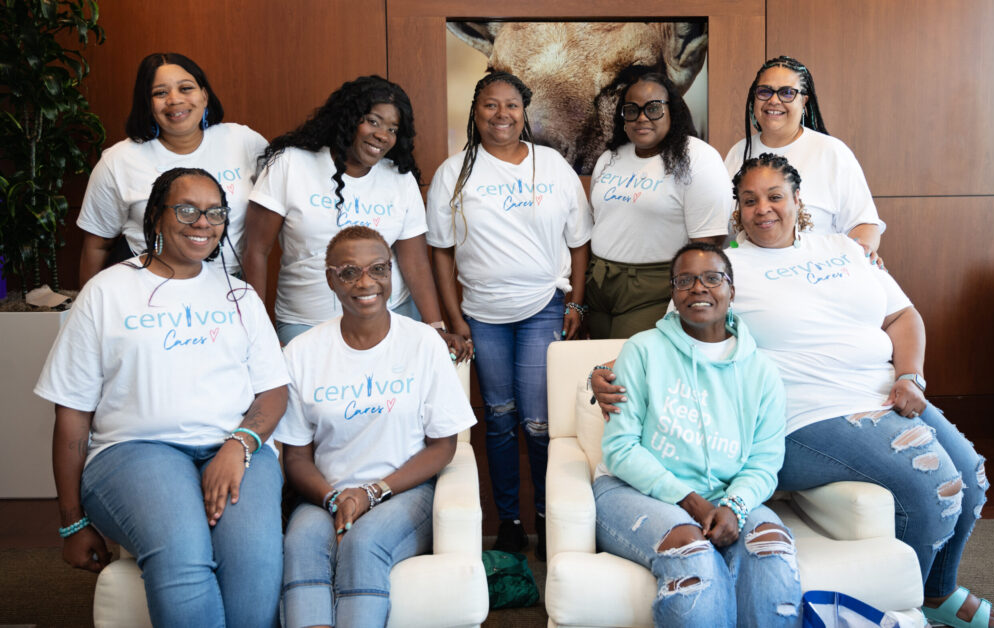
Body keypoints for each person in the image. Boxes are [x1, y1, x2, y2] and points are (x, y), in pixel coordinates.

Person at [594, 154, 994, 628]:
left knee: (971, 479)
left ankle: (935, 592)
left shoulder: (846, 250)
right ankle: (900, 606)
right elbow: (674, 336)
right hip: (809, 416)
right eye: (749, 201)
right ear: (737, 210)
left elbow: (901, 316)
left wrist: (910, 375)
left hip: (886, 392)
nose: (762, 209)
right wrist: (600, 371)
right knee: (936, 487)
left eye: (774, 197)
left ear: (798, 201)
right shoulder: (729, 268)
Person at [38, 168, 290, 627]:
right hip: (134, 451)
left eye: (215, 212)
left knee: (255, 568)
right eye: (187, 209)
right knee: (182, 552)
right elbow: (72, 412)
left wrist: (239, 444)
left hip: (236, 448)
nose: (202, 223)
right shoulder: (107, 292)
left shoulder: (240, 296)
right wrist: (72, 521)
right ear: (155, 217)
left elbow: (273, 393)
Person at [426, 71, 592, 557]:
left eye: (512, 106)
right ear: (475, 113)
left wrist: (576, 301)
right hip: (482, 313)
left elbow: (579, 241)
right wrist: (454, 320)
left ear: (526, 112)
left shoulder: (553, 165)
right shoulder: (453, 172)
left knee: (540, 422)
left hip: (543, 307)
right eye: (490, 106)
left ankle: (546, 514)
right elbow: (441, 251)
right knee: (497, 420)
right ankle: (511, 521)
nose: (501, 115)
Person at [275, 225, 475, 627]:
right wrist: (334, 499)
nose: (366, 282)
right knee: (301, 543)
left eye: (378, 269)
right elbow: (296, 456)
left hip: (404, 491)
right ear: (331, 278)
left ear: (391, 273)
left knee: (363, 544)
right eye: (349, 272)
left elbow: (443, 446)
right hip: (326, 494)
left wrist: (372, 491)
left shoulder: (423, 343)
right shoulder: (302, 353)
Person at [596, 242, 800, 626]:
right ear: (673, 293)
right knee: (692, 554)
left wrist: (735, 507)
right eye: (685, 280)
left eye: (712, 278)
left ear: (731, 290)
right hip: (630, 491)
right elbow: (621, 449)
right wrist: (691, 502)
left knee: (770, 548)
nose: (698, 288)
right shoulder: (642, 351)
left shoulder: (762, 372)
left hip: (725, 495)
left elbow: (765, 461)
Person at [244, 76, 461, 349]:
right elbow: (255, 250)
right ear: (347, 118)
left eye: (393, 129)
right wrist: (257, 328)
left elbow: (415, 262)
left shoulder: (399, 178)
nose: (383, 135)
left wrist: (434, 327)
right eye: (372, 121)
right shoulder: (291, 164)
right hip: (308, 323)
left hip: (392, 319)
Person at [77, 53, 267, 284]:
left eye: (186, 88)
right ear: (147, 104)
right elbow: (98, 245)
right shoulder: (118, 160)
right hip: (147, 289)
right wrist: (90, 307)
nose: (175, 100)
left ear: (204, 95)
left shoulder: (244, 142)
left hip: (228, 287)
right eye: (160, 93)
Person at [587, 72, 731, 339]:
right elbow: (598, 219)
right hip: (599, 285)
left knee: (627, 368)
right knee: (599, 363)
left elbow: (708, 243)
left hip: (653, 289)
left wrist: (683, 293)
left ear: (672, 111)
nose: (642, 118)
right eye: (632, 110)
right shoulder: (610, 157)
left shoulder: (698, 158)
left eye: (653, 108)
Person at [723, 56, 884, 255]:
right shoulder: (737, 153)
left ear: (804, 101)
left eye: (787, 93)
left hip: (816, 278)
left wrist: (856, 258)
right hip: (751, 278)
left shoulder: (832, 152)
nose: (774, 100)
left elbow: (864, 226)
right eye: (764, 92)